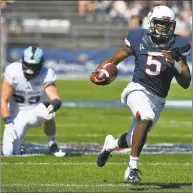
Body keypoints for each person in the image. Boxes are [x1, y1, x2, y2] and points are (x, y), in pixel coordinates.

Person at [89, 5, 191, 182]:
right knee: (146, 117)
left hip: (158, 98)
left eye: (167, 25)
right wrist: (96, 72)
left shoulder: (178, 45)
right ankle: (132, 168)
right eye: (159, 24)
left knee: (133, 138)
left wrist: (174, 63)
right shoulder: (138, 38)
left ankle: (110, 145)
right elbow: (114, 59)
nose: (163, 29)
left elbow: (185, 83)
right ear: (151, 22)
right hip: (137, 89)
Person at [1, 46, 65, 156]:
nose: (30, 69)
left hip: (35, 111)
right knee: (8, 153)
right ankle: (14, 147)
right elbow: (3, 100)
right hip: (16, 114)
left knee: (47, 111)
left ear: (41, 64)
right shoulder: (13, 71)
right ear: (22, 62)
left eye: (34, 66)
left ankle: (52, 144)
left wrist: (54, 105)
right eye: (28, 65)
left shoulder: (46, 74)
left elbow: (56, 99)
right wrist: (8, 123)